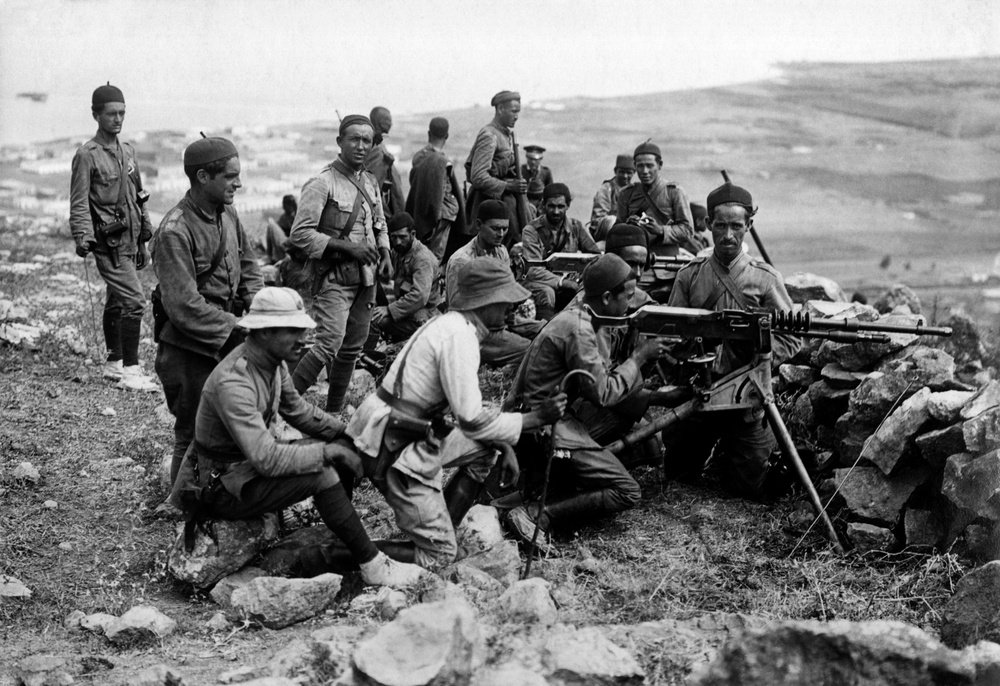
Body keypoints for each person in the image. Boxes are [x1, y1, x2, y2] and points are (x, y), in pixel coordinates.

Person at [172, 287, 427, 588]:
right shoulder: (234, 382)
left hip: (242, 473)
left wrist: (349, 434)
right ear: (263, 332)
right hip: (217, 488)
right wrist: (328, 452)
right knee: (322, 471)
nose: (303, 339)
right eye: (293, 330)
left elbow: (298, 411)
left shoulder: (270, 363)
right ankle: (371, 564)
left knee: (346, 446)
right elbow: (266, 458)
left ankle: (353, 531)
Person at [347, 259, 567, 569]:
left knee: (486, 448)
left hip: (400, 431)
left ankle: (441, 526)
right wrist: (535, 419)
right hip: (393, 444)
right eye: (504, 302)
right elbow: (471, 418)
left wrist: (503, 444)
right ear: (484, 301)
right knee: (439, 557)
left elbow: (468, 413)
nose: (509, 310)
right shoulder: (459, 337)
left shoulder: (454, 326)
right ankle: (344, 552)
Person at [502, 254, 670, 552]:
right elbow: (604, 393)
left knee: (626, 417)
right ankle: (537, 515)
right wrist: (640, 357)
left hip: (538, 414)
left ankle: (562, 478)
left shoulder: (582, 315)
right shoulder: (580, 330)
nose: (631, 305)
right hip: (545, 425)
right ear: (606, 297)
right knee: (627, 490)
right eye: (628, 297)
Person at [664, 181, 801, 500]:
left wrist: (758, 349)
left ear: (749, 226)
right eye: (720, 226)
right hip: (698, 393)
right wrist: (697, 345)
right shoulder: (691, 275)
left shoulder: (765, 279)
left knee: (750, 488)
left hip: (746, 395)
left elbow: (792, 338)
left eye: (736, 226)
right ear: (708, 224)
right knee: (679, 473)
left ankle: (735, 454)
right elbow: (670, 332)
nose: (727, 235)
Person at [153, 136, 264, 489]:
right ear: (203, 177)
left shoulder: (228, 213)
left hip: (226, 337)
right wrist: (238, 326)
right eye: (230, 176)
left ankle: (217, 495)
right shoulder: (175, 231)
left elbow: (248, 264)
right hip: (189, 349)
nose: (238, 183)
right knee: (190, 431)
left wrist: (259, 308)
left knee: (231, 423)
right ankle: (182, 506)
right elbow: (184, 306)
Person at [288, 114, 391, 412]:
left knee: (352, 347)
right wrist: (348, 248)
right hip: (333, 278)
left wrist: (384, 253)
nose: (361, 146)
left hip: (366, 279)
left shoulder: (370, 182)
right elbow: (300, 236)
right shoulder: (322, 183)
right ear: (339, 142)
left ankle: (334, 410)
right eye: (354, 139)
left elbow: (380, 223)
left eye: (366, 141)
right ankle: (282, 406)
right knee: (328, 342)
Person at [69, 83, 157, 391]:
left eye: (122, 113)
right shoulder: (86, 156)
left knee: (118, 300)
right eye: (111, 114)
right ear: (96, 115)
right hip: (108, 242)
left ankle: (114, 362)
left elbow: (138, 197)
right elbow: (79, 201)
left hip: (131, 240)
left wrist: (144, 240)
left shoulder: (128, 151)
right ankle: (131, 371)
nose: (118, 119)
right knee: (134, 301)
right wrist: (82, 236)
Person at [447, 200, 540, 367]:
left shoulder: (501, 251)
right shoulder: (461, 261)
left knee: (544, 330)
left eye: (505, 229)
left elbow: (506, 292)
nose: (501, 234)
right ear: (478, 225)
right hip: (476, 330)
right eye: (496, 228)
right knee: (529, 349)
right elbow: (457, 310)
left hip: (500, 319)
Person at [521, 183, 600, 320]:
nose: (556, 211)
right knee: (547, 293)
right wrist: (562, 282)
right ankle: (544, 328)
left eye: (561, 206)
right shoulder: (531, 230)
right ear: (543, 204)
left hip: (570, 281)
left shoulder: (576, 227)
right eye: (551, 206)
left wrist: (583, 273)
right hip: (540, 283)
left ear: (568, 206)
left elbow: (595, 256)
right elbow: (533, 269)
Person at [464, 90, 527, 246]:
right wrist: (508, 186)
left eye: (518, 111)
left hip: (505, 205)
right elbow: (478, 176)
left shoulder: (505, 135)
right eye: (513, 111)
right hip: (489, 206)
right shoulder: (489, 135)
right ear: (500, 109)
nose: (516, 116)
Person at [615, 141, 699, 258]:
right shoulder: (626, 194)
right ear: (635, 166)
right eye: (640, 166)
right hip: (635, 261)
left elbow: (688, 231)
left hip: (666, 264)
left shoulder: (674, 192)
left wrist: (660, 230)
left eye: (650, 166)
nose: (645, 171)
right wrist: (628, 226)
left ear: (660, 165)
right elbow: (616, 232)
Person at [370, 212, 443, 343]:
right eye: (393, 237)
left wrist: (389, 309)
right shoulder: (399, 251)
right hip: (406, 308)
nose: (397, 242)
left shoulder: (421, 258)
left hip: (423, 315)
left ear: (413, 234)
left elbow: (419, 296)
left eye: (402, 237)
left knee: (375, 322)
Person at [405, 116, 466, 261]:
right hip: (441, 214)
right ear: (447, 136)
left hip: (420, 212)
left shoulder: (419, 157)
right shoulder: (443, 161)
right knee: (435, 258)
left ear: (428, 133)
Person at [363, 106, 405, 216]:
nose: (390, 123)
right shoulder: (374, 146)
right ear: (379, 122)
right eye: (387, 120)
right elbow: (371, 186)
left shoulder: (378, 143)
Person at [590, 153, 635, 240]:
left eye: (629, 173)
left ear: (634, 172)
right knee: (611, 220)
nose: (625, 176)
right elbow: (598, 218)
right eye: (622, 172)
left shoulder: (635, 190)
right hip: (605, 231)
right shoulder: (606, 188)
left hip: (627, 229)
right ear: (615, 171)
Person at [263, 194, 297, 266]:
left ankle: (269, 255)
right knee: (270, 226)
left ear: (289, 205)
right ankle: (270, 255)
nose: (283, 207)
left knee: (271, 223)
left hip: (289, 246)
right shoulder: (285, 217)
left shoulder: (295, 217)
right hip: (286, 244)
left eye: (284, 204)